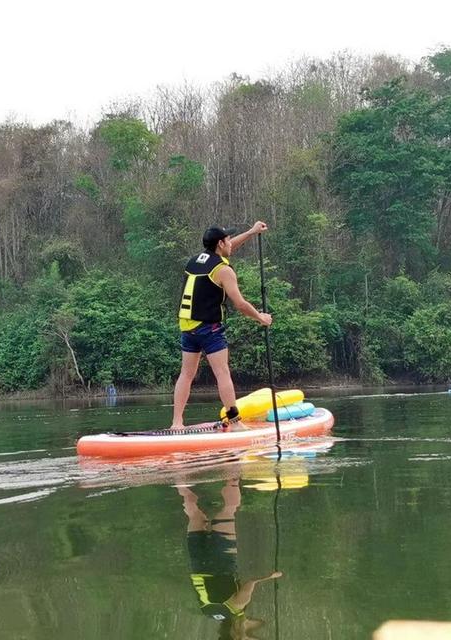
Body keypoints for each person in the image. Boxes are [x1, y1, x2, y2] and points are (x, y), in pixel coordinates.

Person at [171, 222, 272, 431]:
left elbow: (228, 248)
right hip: (209, 328)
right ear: (220, 243)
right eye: (227, 239)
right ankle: (234, 423)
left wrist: (252, 233)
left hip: (187, 326)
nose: (230, 243)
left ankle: (176, 423)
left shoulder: (195, 261)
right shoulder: (224, 270)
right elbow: (240, 304)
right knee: (222, 372)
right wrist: (260, 317)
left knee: (186, 374)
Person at [177, 478, 282, 639]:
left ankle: (233, 469)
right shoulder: (207, 613)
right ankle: (179, 475)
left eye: (247, 634)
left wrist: (270, 576)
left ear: (236, 634)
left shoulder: (236, 607)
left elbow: (251, 582)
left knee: (229, 509)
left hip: (223, 559)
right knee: (194, 513)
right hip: (198, 563)